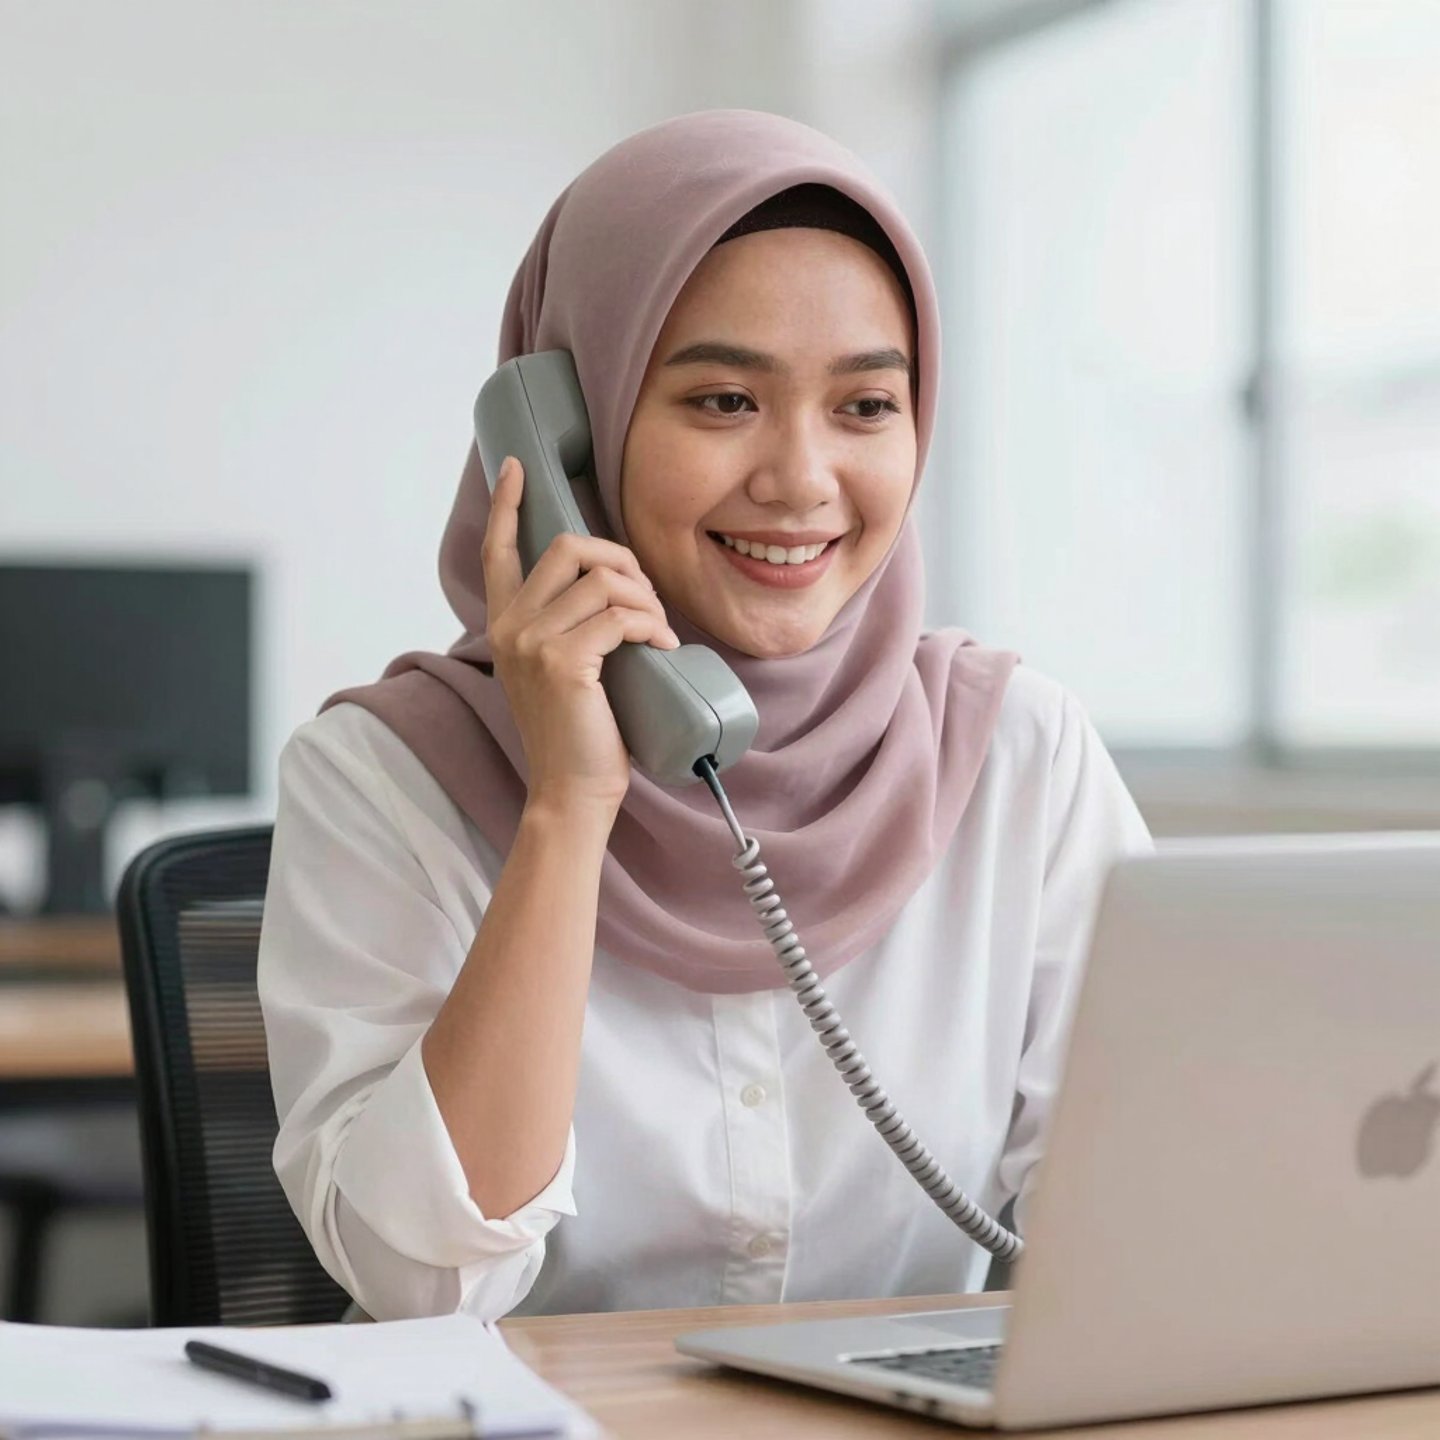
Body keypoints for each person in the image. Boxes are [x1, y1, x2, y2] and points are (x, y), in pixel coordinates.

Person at [257, 109, 1152, 1324]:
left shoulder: (1017, 760)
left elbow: (1151, 1227)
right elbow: (423, 1283)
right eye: (725, 400)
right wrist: (570, 808)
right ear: (565, 430)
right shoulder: (386, 776)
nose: (801, 480)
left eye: (866, 407)